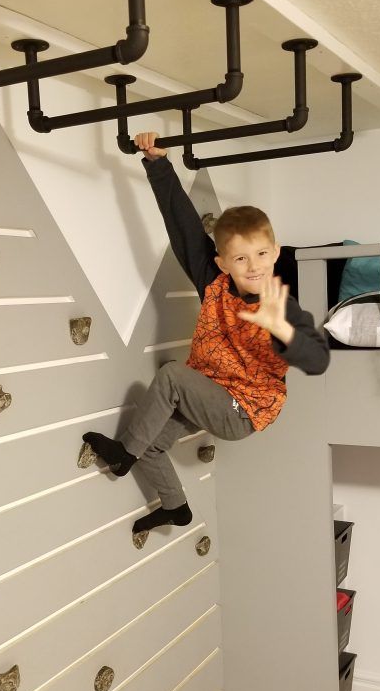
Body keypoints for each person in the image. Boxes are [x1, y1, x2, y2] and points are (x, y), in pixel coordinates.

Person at [83, 131, 329, 535]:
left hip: (242, 412)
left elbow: (315, 359)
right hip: (211, 391)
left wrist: (283, 329)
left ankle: (122, 455)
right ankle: (175, 507)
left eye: (262, 255)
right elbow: (181, 227)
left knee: (170, 376)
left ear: (276, 252)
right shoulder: (212, 281)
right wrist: (158, 163)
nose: (254, 267)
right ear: (222, 262)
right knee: (153, 443)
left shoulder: (281, 305)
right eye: (241, 258)